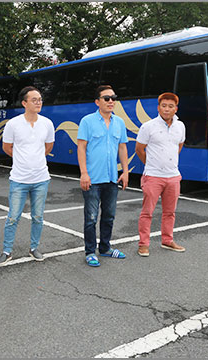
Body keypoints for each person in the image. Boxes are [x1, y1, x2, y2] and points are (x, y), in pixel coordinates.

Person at [0, 86, 55, 265]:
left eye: (40, 99)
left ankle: (34, 247)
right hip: (19, 179)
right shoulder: (13, 124)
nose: (38, 102)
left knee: (38, 216)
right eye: (34, 100)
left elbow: (48, 146)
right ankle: (7, 251)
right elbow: (7, 147)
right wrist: (22, 159)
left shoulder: (47, 123)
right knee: (13, 217)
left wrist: (35, 159)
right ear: (24, 103)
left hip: (41, 179)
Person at [77, 85, 129, 267]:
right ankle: (90, 251)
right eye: (106, 98)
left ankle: (105, 248)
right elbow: (81, 147)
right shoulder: (87, 121)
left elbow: (122, 148)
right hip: (92, 179)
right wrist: (84, 173)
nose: (111, 101)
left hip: (111, 178)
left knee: (109, 215)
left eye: (113, 97)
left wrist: (125, 172)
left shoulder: (119, 123)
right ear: (97, 102)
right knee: (91, 217)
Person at [134, 92, 186, 257]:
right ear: (158, 107)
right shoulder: (148, 126)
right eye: (164, 106)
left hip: (173, 176)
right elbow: (139, 149)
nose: (167, 109)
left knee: (170, 212)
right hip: (153, 176)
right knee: (147, 212)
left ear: (175, 108)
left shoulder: (180, 126)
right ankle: (143, 244)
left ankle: (167, 240)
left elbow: (179, 146)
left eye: (170, 106)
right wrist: (151, 164)